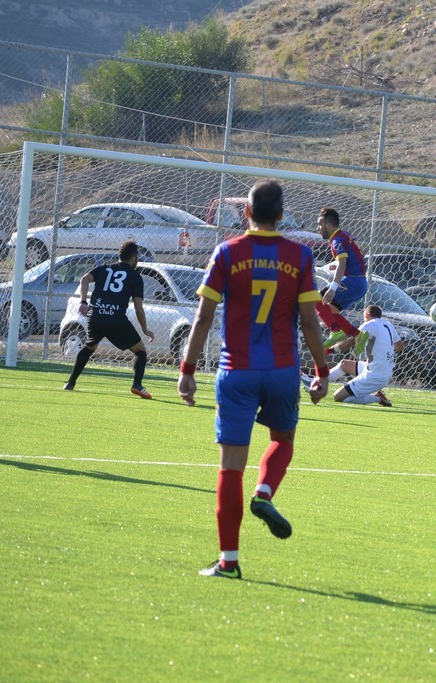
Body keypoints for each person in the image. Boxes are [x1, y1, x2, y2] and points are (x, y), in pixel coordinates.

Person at [177, 180, 329, 580]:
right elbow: (310, 322)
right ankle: (264, 492)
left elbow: (203, 317)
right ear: (281, 215)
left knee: (231, 467)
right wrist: (321, 371)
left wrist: (187, 370)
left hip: (237, 371)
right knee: (283, 440)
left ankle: (229, 562)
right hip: (282, 371)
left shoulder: (227, 252)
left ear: (245, 213)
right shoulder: (300, 255)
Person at [63, 240, 155, 398]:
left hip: (96, 317)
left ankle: (70, 383)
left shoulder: (104, 268)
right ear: (133, 258)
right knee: (140, 351)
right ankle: (137, 385)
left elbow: (84, 279)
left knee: (89, 347)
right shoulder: (135, 277)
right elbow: (138, 308)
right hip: (116, 320)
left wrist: (83, 302)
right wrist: (145, 329)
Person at [323, 305, 403, 407]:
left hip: (375, 376)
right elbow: (400, 346)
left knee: (338, 396)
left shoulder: (368, 325)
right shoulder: (388, 324)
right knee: (344, 364)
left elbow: (350, 342)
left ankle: (378, 398)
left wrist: (328, 350)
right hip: (383, 370)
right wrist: (384, 346)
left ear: (367, 314)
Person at [315, 207, 368, 352]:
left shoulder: (337, 240)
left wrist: (333, 288)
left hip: (352, 281)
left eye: (320, 224)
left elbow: (342, 263)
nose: (317, 228)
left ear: (329, 225)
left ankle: (335, 330)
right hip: (360, 283)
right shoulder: (344, 235)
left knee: (316, 299)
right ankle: (357, 335)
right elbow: (355, 256)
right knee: (331, 311)